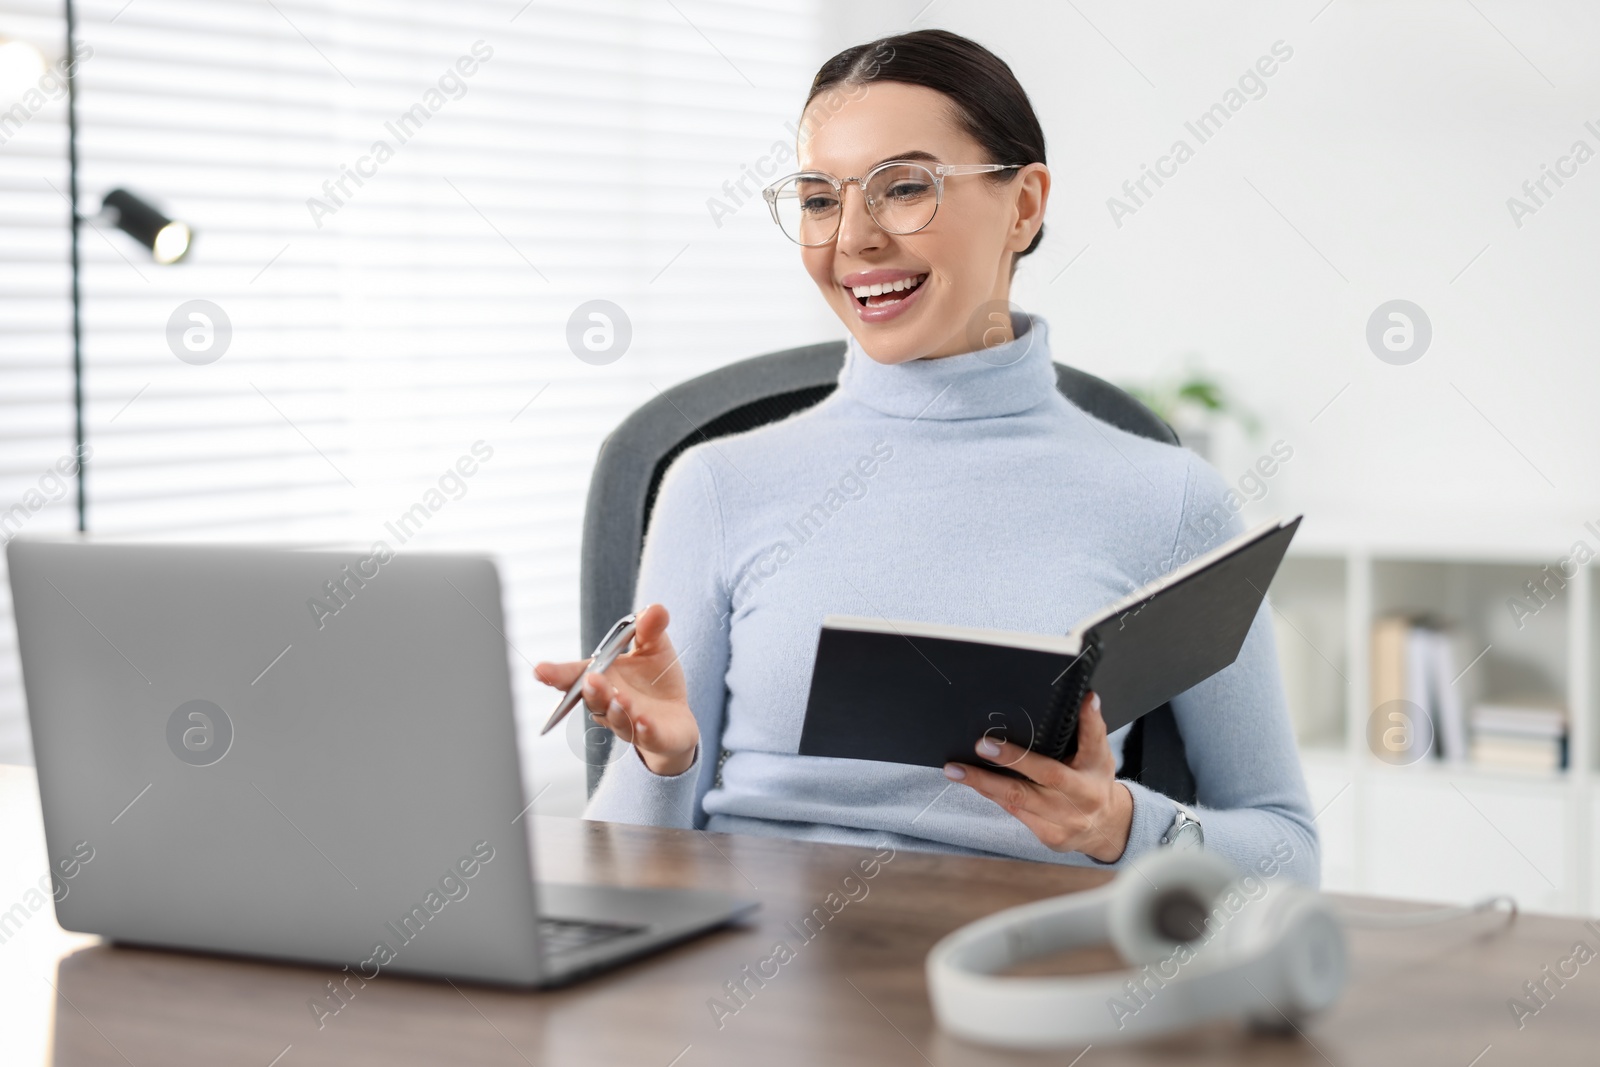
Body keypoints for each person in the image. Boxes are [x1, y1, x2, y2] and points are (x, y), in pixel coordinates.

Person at [536, 29, 1318, 884]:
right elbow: (617, 878)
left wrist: (1118, 824)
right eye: (819, 199)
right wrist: (664, 762)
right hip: (758, 982)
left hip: (1020, 979)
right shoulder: (717, 487)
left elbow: (1289, 854)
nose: (854, 240)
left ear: (1023, 206)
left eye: (904, 188)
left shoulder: (1171, 502)